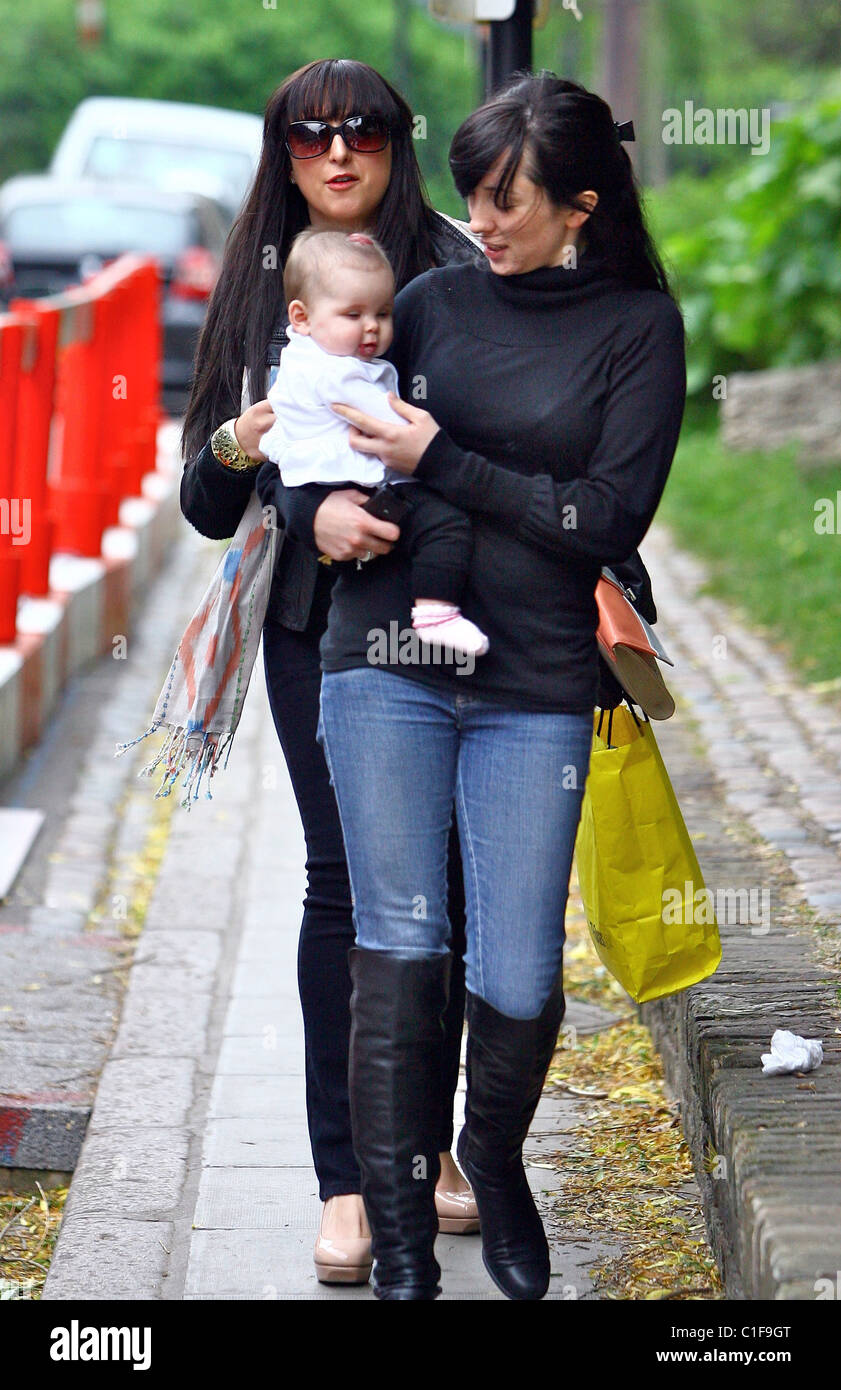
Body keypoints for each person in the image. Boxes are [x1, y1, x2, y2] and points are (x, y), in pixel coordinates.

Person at [272, 72, 687, 1300]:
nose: (481, 222)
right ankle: (401, 1232)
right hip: (383, 661)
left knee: (514, 971)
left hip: (536, 680)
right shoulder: (434, 306)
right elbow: (319, 433)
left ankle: (493, 1160)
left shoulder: (639, 329)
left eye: (506, 201)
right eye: (472, 197)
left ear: (581, 206)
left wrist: (444, 458)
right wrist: (319, 510)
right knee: (396, 938)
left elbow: (605, 516)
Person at [179, 58, 485, 1285]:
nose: (337, 151)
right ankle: (348, 1178)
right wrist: (252, 455)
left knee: (447, 886)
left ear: (395, 143)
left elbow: (511, 435)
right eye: (310, 135)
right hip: (316, 628)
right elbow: (204, 502)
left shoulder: (456, 270)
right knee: (347, 886)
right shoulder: (260, 286)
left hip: (454, 617)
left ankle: (432, 1152)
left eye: (362, 131)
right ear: (284, 150)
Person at [259, 228, 488, 660]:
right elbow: (389, 425)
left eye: (383, 314)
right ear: (301, 316)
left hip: (320, 479)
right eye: (353, 315)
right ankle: (436, 611)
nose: (372, 327)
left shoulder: (306, 355)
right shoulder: (338, 374)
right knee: (444, 526)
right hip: (353, 478)